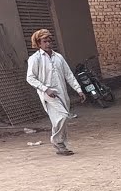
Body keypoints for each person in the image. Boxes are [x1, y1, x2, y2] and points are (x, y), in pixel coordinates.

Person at [26, 28, 85, 156]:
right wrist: (45, 89)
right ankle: (57, 142)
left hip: (62, 92)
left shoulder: (58, 57)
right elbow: (30, 78)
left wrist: (78, 90)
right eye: (44, 41)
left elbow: (68, 75)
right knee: (63, 116)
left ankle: (61, 145)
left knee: (58, 119)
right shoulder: (35, 59)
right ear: (38, 43)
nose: (48, 44)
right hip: (47, 94)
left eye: (49, 41)